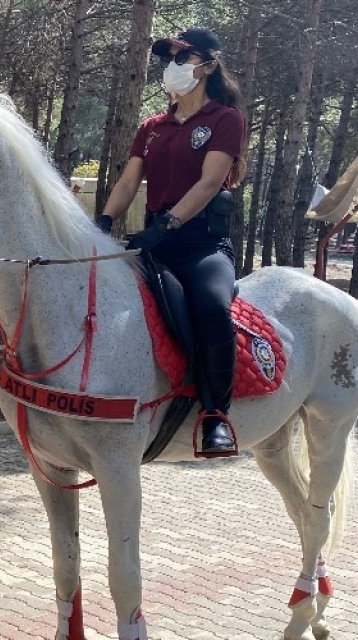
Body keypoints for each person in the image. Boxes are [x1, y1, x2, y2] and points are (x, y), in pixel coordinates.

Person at [97, 27, 248, 456]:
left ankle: (216, 415)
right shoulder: (152, 126)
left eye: (183, 58)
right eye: (169, 59)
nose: (173, 67)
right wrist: (105, 221)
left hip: (201, 246)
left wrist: (167, 226)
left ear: (209, 66)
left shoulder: (224, 119)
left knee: (213, 308)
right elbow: (129, 180)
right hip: (152, 244)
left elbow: (208, 184)